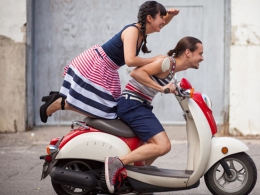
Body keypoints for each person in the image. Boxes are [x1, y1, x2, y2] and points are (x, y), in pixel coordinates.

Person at [39, 1, 179, 123]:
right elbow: (130, 61)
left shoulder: (142, 33)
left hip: (107, 68)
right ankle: (59, 103)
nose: (163, 21)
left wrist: (170, 15)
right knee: (105, 111)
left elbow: (160, 24)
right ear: (149, 18)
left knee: (109, 110)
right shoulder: (133, 31)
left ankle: (59, 98)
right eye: (161, 17)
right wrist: (154, 59)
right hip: (95, 65)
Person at [104, 36, 204, 193]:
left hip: (140, 106)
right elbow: (136, 73)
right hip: (132, 105)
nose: (202, 58)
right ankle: (117, 163)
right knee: (163, 145)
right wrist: (161, 88)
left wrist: (178, 90)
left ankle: (137, 180)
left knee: (155, 147)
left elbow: (164, 84)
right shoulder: (167, 63)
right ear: (188, 53)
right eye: (200, 53)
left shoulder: (172, 70)